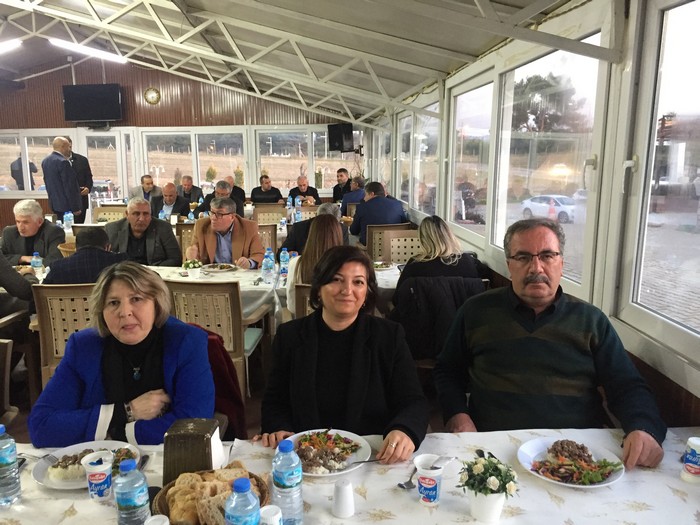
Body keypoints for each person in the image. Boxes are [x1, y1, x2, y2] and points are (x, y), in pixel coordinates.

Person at [434, 218, 666, 469]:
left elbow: (627, 385)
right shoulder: (475, 312)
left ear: (561, 263)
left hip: (577, 456)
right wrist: (457, 414)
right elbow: (447, 371)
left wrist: (643, 427)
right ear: (509, 265)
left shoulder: (591, 321)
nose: (536, 267)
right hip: (493, 449)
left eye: (547, 256)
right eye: (523, 257)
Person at [258, 246, 429, 463]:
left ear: (367, 293)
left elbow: (413, 400)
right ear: (318, 288)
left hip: (370, 457)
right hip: (306, 459)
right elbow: (274, 400)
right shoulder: (290, 336)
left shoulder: (389, 337)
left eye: (358, 282)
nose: (347, 290)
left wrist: (404, 429)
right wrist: (278, 427)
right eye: (337, 280)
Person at [28, 261, 215, 447]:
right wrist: (126, 412)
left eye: (136, 299)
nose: (125, 312)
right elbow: (41, 426)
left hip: (170, 460)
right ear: (102, 311)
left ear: (157, 303)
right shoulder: (83, 347)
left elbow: (194, 425)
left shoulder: (186, 342)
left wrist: (116, 433)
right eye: (113, 303)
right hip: (100, 463)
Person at [393, 215, 491, 299]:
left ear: (422, 239)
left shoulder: (415, 265)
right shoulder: (469, 261)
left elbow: (397, 298)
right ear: (449, 236)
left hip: (425, 315)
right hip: (463, 314)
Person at [286, 215, 343, 315]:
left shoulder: (295, 264)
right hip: (338, 321)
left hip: (305, 323)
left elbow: (292, 306)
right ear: (338, 236)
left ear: (311, 236)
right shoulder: (347, 266)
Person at [185, 197, 264, 269]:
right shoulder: (201, 225)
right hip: (211, 275)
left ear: (232, 217)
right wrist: (191, 257)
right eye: (212, 213)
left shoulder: (249, 227)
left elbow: (259, 254)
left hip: (238, 275)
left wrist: (249, 263)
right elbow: (194, 256)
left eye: (219, 214)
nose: (213, 218)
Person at [105, 198, 182, 267]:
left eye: (146, 214)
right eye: (136, 214)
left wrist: (150, 271)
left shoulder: (163, 228)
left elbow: (176, 259)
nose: (141, 218)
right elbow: (105, 258)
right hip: (124, 273)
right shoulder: (112, 229)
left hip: (152, 274)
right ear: (127, 214)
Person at [43, 227, 127, 284]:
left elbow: (43, 293)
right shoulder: (122, 263)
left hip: (70, 306)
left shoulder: (58, 268)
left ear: (75, 248)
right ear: (108, 247)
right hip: (107, 306)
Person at [1, 199, 65, 267]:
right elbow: (1, 258)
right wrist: (22, 258)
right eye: (18, 222)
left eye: (25, 222)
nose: (21, 227)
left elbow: (55, 261)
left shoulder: (54, 232)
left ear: (39, 222)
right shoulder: (9, 232)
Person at [277, 202, 349, 257]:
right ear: (316, 217)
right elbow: (281, 254)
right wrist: (288, 255)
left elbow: (345, 256)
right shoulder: (299, 228)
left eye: (331, 224)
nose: (327, 228)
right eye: (324, 223)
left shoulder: (342, 229)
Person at [349, 181, 408, 245]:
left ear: (372, 194)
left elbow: (354, 231)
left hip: (369, 247)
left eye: (365, 195)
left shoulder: (362, 207)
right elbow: (404, 224)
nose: (364, 198)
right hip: (394, 246)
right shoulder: (397, 205)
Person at [41, 137, 82, 220]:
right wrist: (75, 207)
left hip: (54, 204)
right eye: (68, 147)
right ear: (63, 147)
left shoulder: (45, 161)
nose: (70, 150)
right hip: (66, 206)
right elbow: (69, 186)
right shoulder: (63, 162)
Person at [66, 137, 93, 224]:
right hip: (64, 203)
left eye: (70, 146)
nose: (68, 149)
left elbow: (89, 177)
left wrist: (88, 188)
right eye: (66, 147)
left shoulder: (82, 160)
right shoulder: (56, 162)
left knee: (79, 227)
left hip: (81, 201)